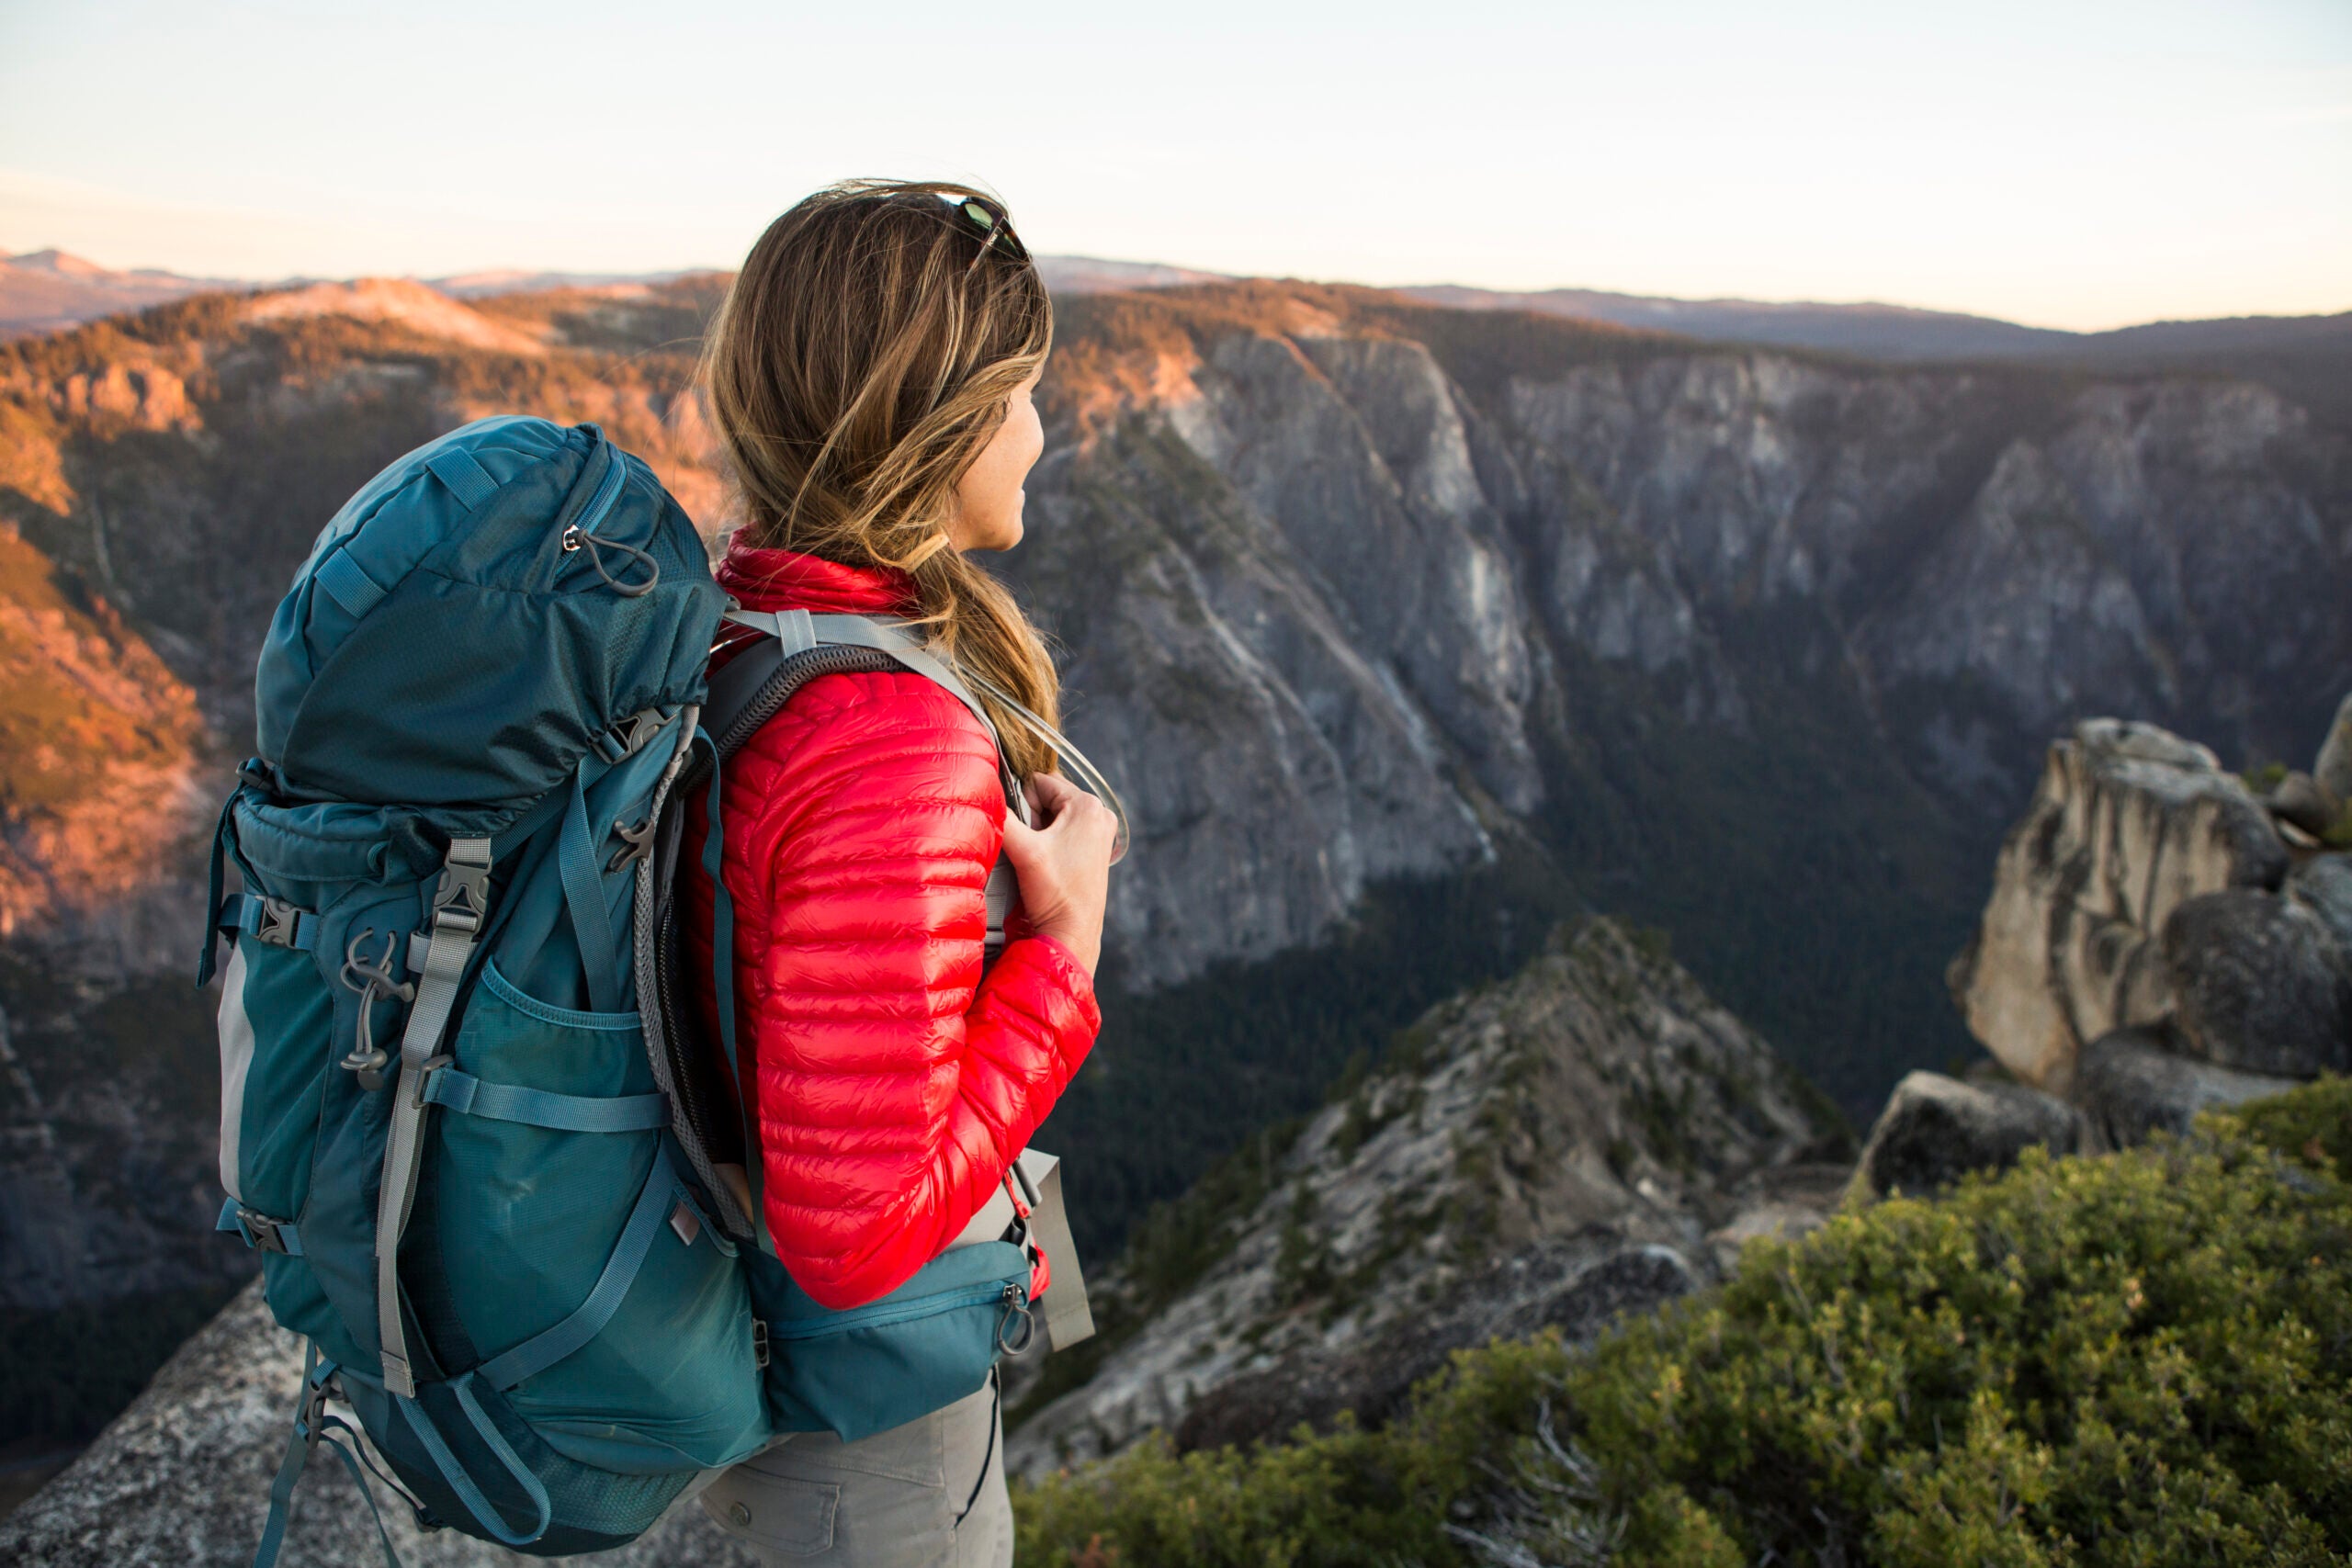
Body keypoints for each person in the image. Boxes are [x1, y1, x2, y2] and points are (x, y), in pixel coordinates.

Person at [683, 180, 1117, 1566]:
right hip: (863, 1467)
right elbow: (854, 1238)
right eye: (1027, 392)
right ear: (942, 413)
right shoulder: (888, 744)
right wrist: (1064, 957)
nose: (1045, 432)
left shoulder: (742, 617)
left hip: (762, 1377)